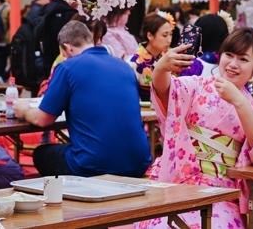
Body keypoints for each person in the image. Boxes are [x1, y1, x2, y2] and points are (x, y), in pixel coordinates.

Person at [135, 27, 253, 229]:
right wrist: (161, 69)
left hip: (222, 193)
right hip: (179, 184)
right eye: (229, 55)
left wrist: (240, 102)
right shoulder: (197, 86)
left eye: (243, 59)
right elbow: (166, 91)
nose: (233, 64)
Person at [14, 21, 151, 177]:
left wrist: (23, 110)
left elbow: (42, 119)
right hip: (138, 162)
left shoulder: (68, 67)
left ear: (67, 47)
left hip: (93, 165)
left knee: (42, 154)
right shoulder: (124, 67)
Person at [130, 12, 177, 99]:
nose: (169, 40)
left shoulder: (170, 58)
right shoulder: (134, 63)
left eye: (171, 34)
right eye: (165, 35)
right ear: (150, 35)